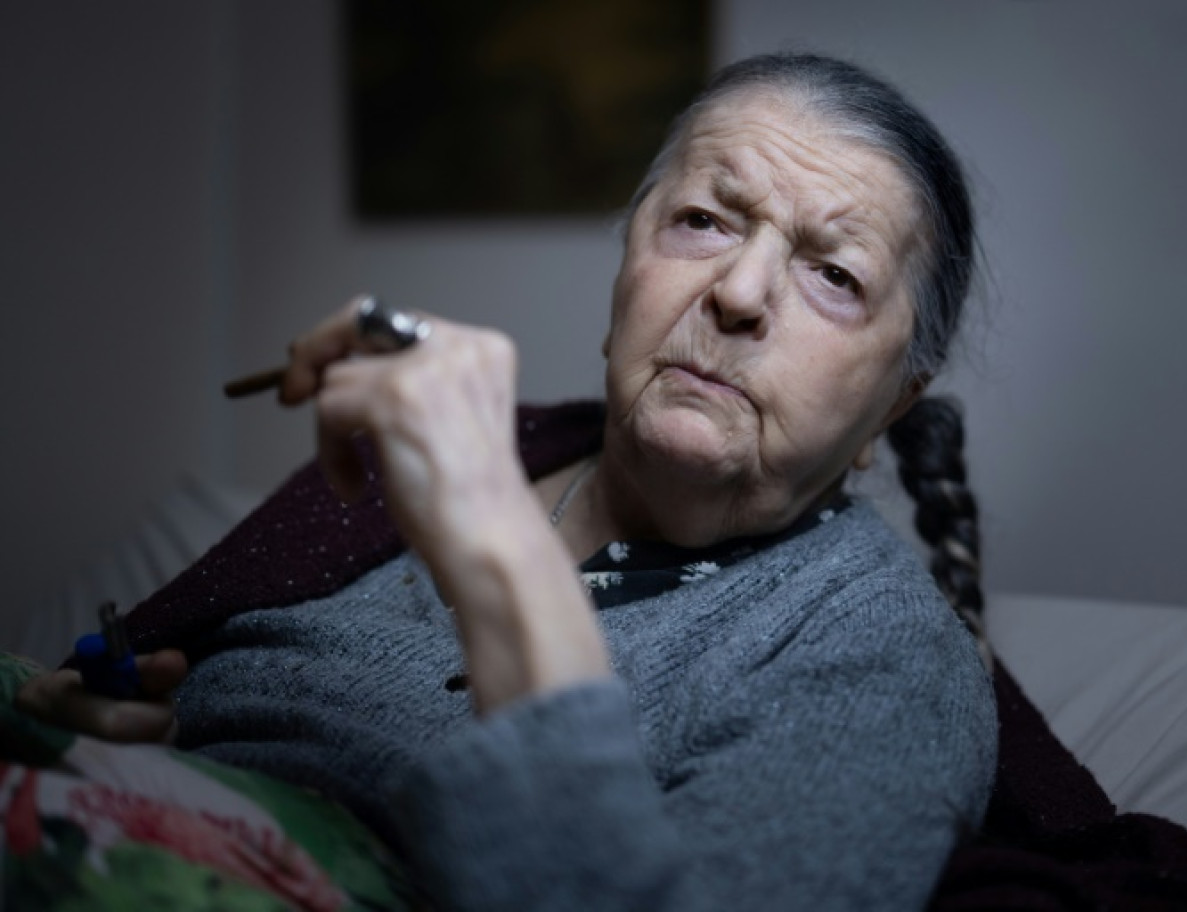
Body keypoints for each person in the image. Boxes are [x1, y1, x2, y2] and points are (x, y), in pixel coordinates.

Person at [15, 53, 996, 910]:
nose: (738, 294)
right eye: (702, 219)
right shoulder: (428, 469)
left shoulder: (884, 653)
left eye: (835, 275)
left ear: (890, 410)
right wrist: (152, 737)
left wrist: (487, 532)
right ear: (627, 272)